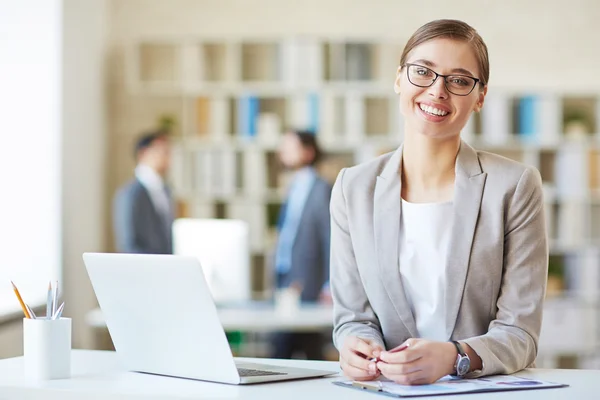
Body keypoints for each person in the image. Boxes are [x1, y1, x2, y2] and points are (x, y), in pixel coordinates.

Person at [331, 19, 548, 385]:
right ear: (399, 79)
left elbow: (521, 334)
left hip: (481, 391)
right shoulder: (353, 187)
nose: (437, 90)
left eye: (459, 80)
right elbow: (353, 317)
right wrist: (356, 346)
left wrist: (455, 357)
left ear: (480, 97)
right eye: (423, 72)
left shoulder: (515, 186)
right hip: (386, 389)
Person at [272, 130, 332, 360]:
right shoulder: (294, 186)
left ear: (308, 152)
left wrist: (328, 284)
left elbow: (330, 239)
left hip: (308, 280)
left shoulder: (321, 189)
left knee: (288, 346)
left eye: (289, 147)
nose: (282, 152)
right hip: (286, 277)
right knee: (296, 345)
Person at [113, 130, 174, 254]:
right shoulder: (130, 194)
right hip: (144, 267)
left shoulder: (165, 190)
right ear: (143, 153)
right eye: (161, 151)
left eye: (168, 151)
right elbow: (128, 244)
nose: (167, 157)